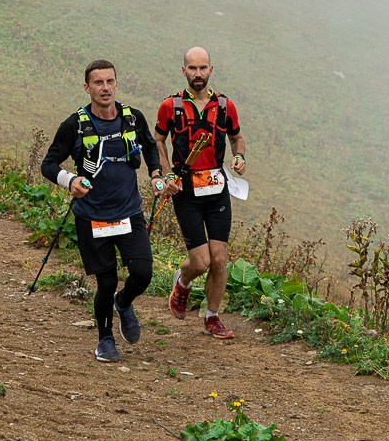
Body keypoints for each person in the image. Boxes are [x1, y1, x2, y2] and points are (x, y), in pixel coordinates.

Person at [41, 59, 165, 363]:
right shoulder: (74, 125)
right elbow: (48, 164)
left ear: (117, 84)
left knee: (143, 273)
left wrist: (156, 173)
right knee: (106, 281)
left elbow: (150, 147)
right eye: (98, 82)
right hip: (92, 216)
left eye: (110, 81)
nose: (105, 88)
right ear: (87, 88)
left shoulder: (132, 118)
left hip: (129, 212)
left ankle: (123, 303)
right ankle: (105, 340)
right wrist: (70, 181)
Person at [154, 46, 247, 339]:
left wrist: (240, 157)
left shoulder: (224, 106)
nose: (197, 74)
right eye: (192, 69)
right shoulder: (171, 106)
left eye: (202, 68)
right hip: (186, 191)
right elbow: (158, 141)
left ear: (211, 70)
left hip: (217, 189)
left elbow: (237, 137)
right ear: (184, 71)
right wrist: (167, 174)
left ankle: (212, 317)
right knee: (201, 262)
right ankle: (182, 280)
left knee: (220, 259)